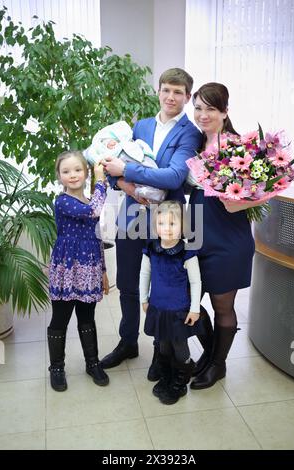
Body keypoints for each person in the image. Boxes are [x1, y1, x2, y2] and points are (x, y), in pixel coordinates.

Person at [100, 68, 202, 380]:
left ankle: (162, 351)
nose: (171, 97)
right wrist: (125, 184)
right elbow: (110, 168)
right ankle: (128, 341)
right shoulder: (140, 125)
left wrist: (127, 173)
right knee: (128, 284)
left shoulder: (190, 133)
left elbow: (173, 176)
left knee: (166, 285)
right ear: (157, 91)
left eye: (178, 92)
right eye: (166, 90)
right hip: (132, 215)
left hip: (169, 219)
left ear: (186, 97)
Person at [188, 82, 256, 389]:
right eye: (199, 108)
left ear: (225, 112)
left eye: (210, 109)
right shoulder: (197, 145)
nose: (203, 115)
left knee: (222, 307)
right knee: (185, 299)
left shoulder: (239, 147)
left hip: (228, 239)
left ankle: (218, 364)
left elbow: (266, 191)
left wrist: (242, 201)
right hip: (197, 234)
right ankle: (211, 353)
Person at [47, 150, 109, 392]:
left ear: (85, 173)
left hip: (90, 266)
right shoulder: (62, 201)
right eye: (66, 171)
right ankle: (56, 368)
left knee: (87, 317)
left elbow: (97, 237)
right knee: (60, 318)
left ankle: (92, 363)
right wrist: (101, 180)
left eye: (77, 170)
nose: (72, 175)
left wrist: (103, 271)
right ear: (59, 176)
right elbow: (93, 211)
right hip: (67, 267)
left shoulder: (88, 200)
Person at [140, 201, 202, 405]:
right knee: (163, 345)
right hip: (158, 307)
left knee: (179, 345)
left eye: (172, 224)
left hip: (178, 310)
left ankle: (180, 379)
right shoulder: (151, 248)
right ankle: (167, 375)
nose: (166, 229)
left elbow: (195, 281)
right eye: (161, 223)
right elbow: (145, 274)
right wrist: (144, 299)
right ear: (155, 225)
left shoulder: (186, 252)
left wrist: (194, 309)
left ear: (182, 226)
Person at [83, 120, 166, 203]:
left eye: (109, 140)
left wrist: (124, 170)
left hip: (153, 177)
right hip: (135, 202)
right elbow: (105, 167)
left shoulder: (130, 139)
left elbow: (174, 177)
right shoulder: (140, 126)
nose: (111, 144)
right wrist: (119, 182)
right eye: (105, 143)